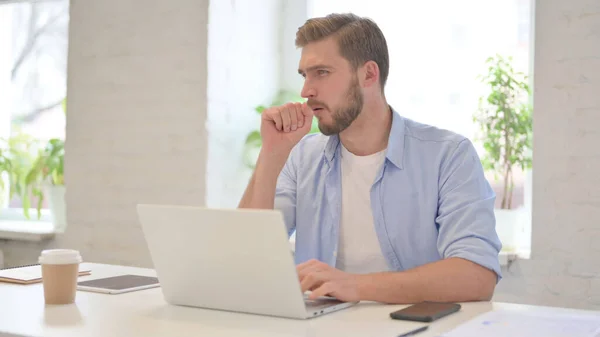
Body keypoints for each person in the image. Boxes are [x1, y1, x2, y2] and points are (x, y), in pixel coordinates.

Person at [238, 13, 501, 304]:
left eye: (322, 72)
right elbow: (245, 256)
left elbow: (477, 275)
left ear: (368, 74)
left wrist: (356, 286)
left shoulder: (448, 155)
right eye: (304, 75)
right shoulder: (302, 157)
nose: (306, 90)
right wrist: (272, 154)